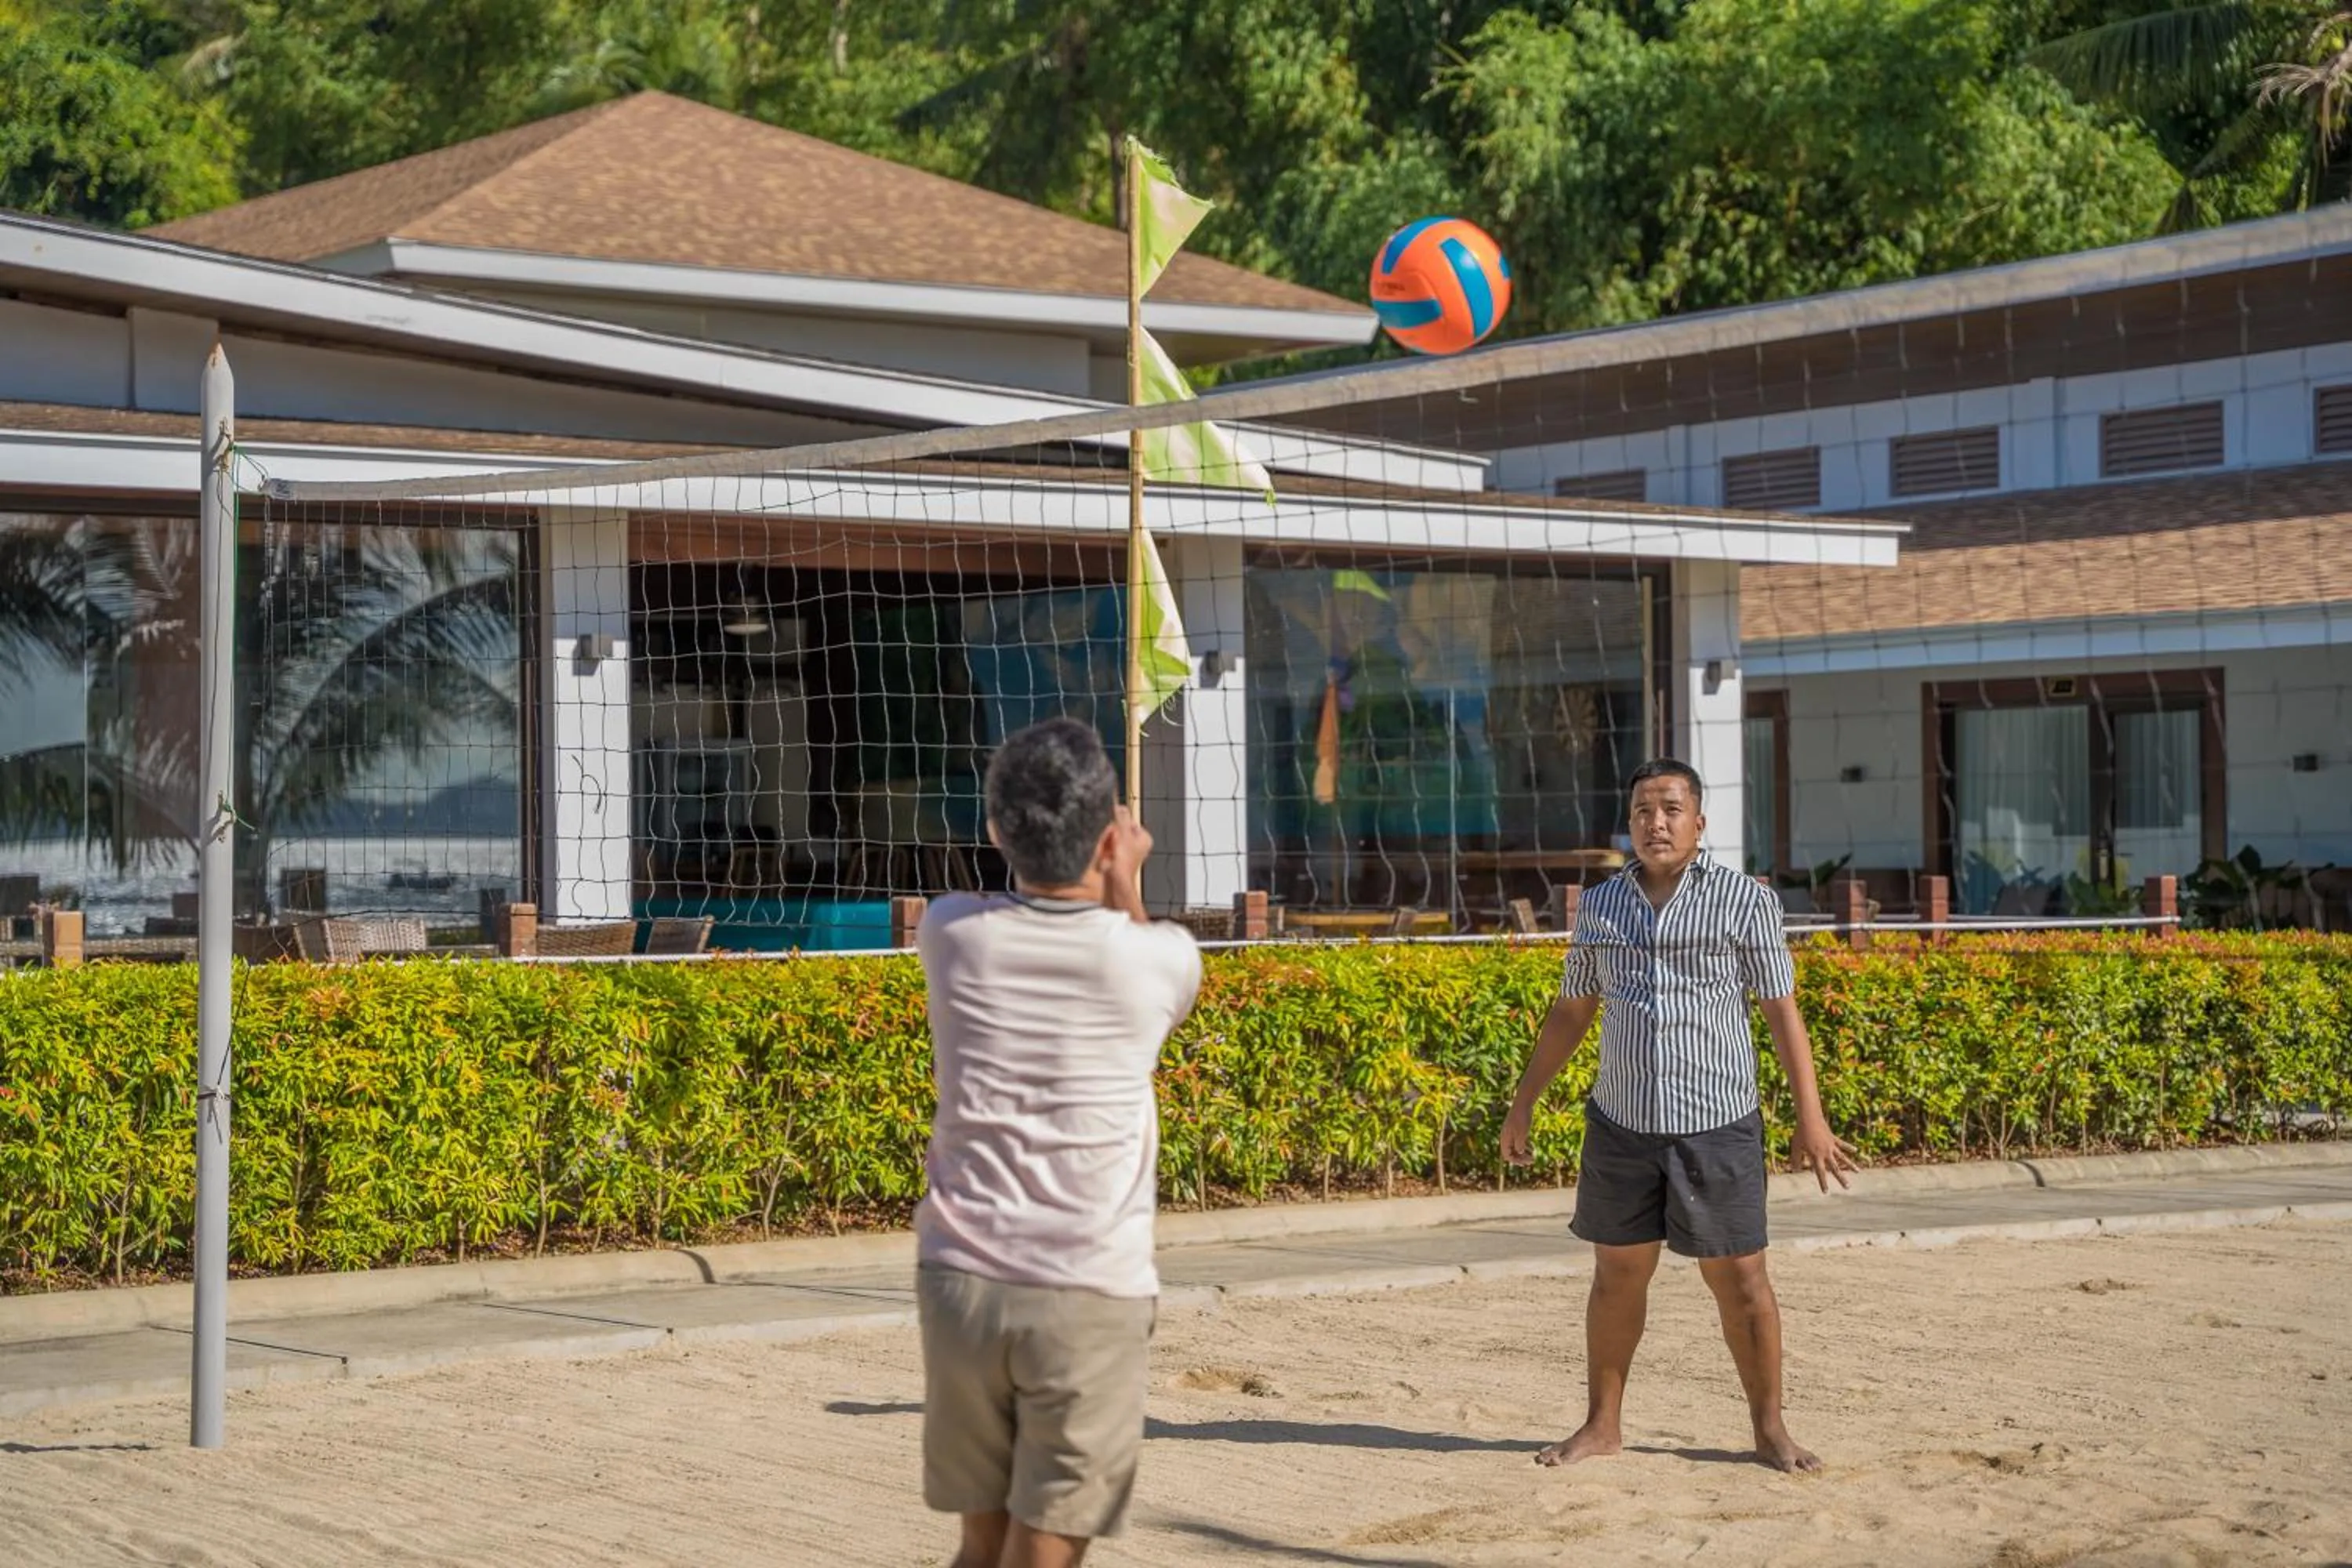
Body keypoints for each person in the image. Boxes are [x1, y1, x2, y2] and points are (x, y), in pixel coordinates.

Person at [1500, 757, 1856, 1474]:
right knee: (1617, 1277)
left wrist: (1808, 1117)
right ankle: (1603, 1425)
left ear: (1699, 822)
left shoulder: (1743, 901)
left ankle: (1769, 1431)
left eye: (1669, 809)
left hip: (1716, 1120)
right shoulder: (1601, 906)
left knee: (1743, 1280)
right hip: (1621, 1122)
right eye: (1641, 811)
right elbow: (1573, 1010)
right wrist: (1523, 1103)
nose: (1654, 823)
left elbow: (1781, 1011)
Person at [913, 717, 1203, 1568]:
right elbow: (1142, 946)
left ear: (997, 831)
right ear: (1111, 837)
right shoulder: (1160, 959)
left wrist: (1103, 859)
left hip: (961, 1281)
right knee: (1043, 1551)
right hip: (1088, 1288)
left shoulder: (951, 931)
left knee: (980, 1546)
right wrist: (1128, 875)